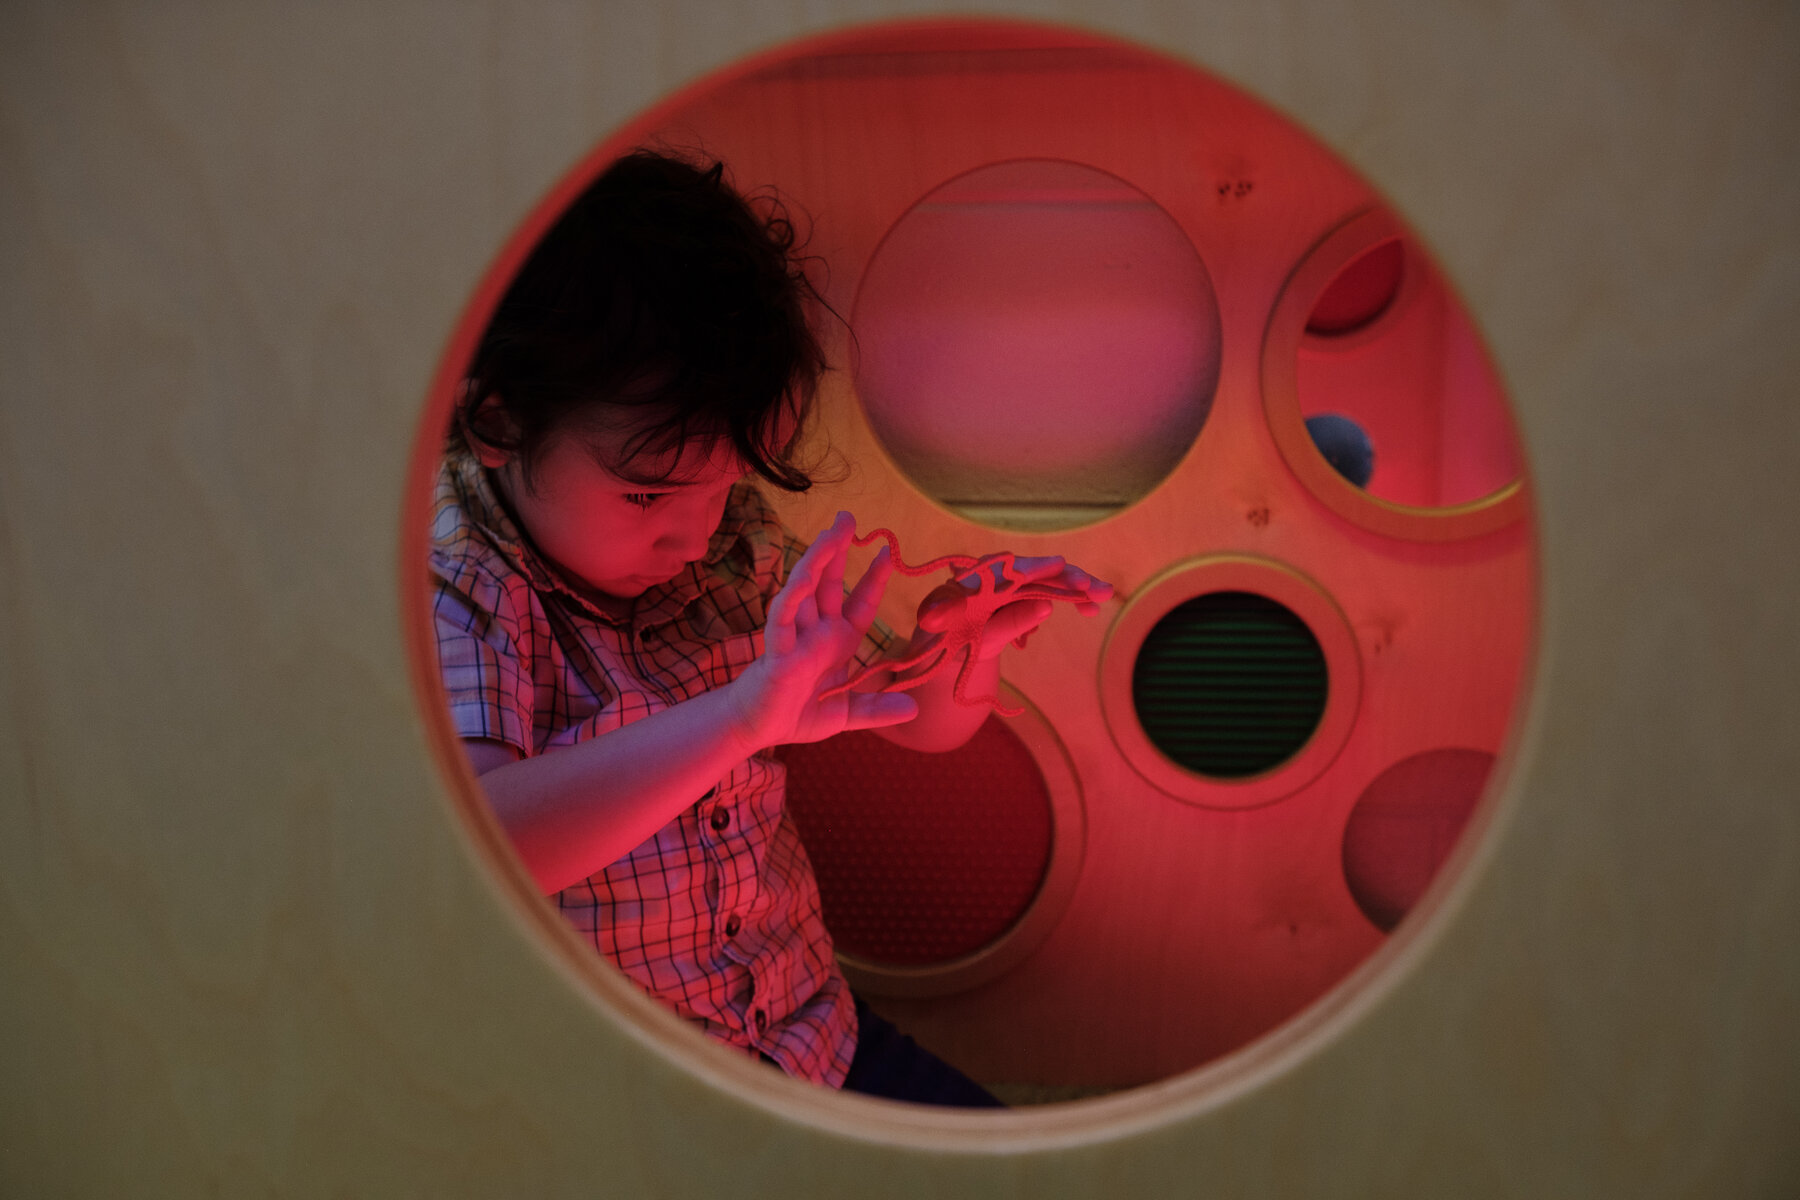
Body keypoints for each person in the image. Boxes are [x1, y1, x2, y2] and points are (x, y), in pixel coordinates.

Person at [428, 149, 1110, 1106]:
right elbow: (495, 842)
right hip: (616, 1102)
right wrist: (743, 719)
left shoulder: (731, 545)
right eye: (649, 491)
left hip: (804, 1034)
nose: (694, 530)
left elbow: (919, 721)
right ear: (499, 423)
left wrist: (963, 645)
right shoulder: (465, 573)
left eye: (727, 484)